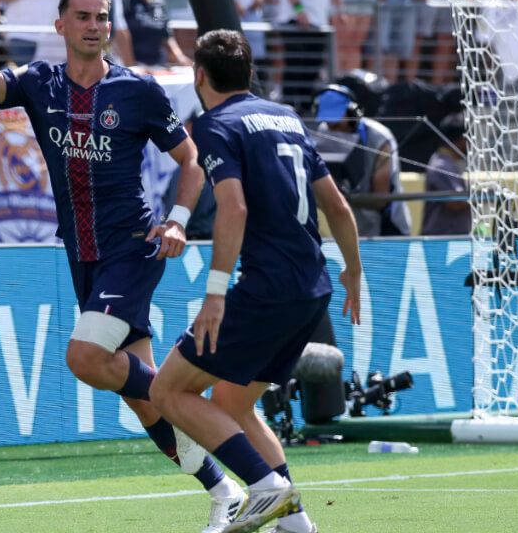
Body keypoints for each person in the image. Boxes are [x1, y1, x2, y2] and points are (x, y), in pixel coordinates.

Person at [0, 0, 246, 533]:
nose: (93, 25)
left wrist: (178, 220)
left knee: (85, 358)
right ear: (59, 25)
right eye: (81, 16)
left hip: (132, 248)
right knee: (144, 401)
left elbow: (191, 163)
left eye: (102, 17)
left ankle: (212, 431)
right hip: (81, 255)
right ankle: (227, 491)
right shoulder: (38, 83)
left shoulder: (137, 90)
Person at [149, 29, 363, 533]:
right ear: (249, 74)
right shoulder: (286, 117)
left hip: (267, 289)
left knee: (168, 391)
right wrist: (353, 269)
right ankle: (298, 525)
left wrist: (215, 293)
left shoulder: (214, 125)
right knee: (232, 402)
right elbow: (337, 204)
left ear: (199, 76)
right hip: (313, 286)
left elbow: (235, 207)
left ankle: (265, 488)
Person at [312, 84, 411, 237]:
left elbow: (380, 199)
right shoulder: (324, 131)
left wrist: (340, 198)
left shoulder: (379, 137)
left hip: (387, 226)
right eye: (327, 121)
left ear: (353, 112)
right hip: (350, 225)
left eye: (336, 121)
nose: (332, 126)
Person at [121, 0, 191, 67]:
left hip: (157, 65)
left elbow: (166, 36)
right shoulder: (125, 1)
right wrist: (131, 66)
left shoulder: (159, 2)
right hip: (133, 66)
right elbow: (120, 35)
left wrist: (180, 58)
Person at [422, 112, 470, 236]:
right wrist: (483, 197)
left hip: (448, 238)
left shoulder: (447, 162)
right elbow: (455, 203)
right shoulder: (441, 165)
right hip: (442, 240)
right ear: (460, 139)